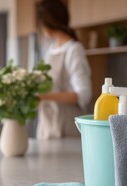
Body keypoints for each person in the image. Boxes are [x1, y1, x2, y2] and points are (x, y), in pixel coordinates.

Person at [36, 0, 92, 139]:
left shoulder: (74, 49)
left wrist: (44, 97)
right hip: (47, 124)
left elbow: (83, 95)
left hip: (66, 125)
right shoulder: (51, 49)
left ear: (47, 23)